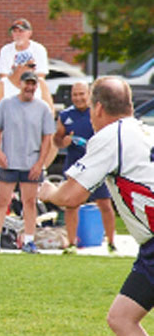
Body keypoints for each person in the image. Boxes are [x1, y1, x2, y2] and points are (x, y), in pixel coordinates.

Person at [42, 76, 154, 336]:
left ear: (98, 109)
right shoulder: (143, 130)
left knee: (123, 318)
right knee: (122, 317)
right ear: (132, 106)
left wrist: (47, 191)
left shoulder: (109, 136)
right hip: (150, 246)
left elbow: (72, 196)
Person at [0, 69, 56, 252]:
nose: (30, 87)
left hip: (31, 162)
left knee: (30, 202)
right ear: (20, 84)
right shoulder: (6, 104)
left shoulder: (42, 108)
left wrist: (40, 163)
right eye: (27, 83)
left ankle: (29, 240)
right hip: (9, 160)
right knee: (2, 200)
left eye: (33, 84)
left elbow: (47, 137)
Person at [57, 81, 118, 254]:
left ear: (89, 94)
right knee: (71, 205)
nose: (78, 98)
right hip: (75, 166)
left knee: (105, 204)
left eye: (81, 94)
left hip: (98, 165)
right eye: (75, 94)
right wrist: (64, 142)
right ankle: (71, 243)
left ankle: (111, 243)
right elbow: (57, 139)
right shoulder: (65, 115)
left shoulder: (99, 113)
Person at [0, 49, 53, 120]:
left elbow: (50, 112)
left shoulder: (41, 84)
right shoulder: (3, 85)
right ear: (19, 67)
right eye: (31, 66)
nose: (34, 69)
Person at [0, 18, 48, 82]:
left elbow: (41, 75)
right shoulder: (5, 50)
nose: (17, 34)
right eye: (15, 31)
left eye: (21, 31)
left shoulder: (39, 49)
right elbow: (3, 76)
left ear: (29, 33)